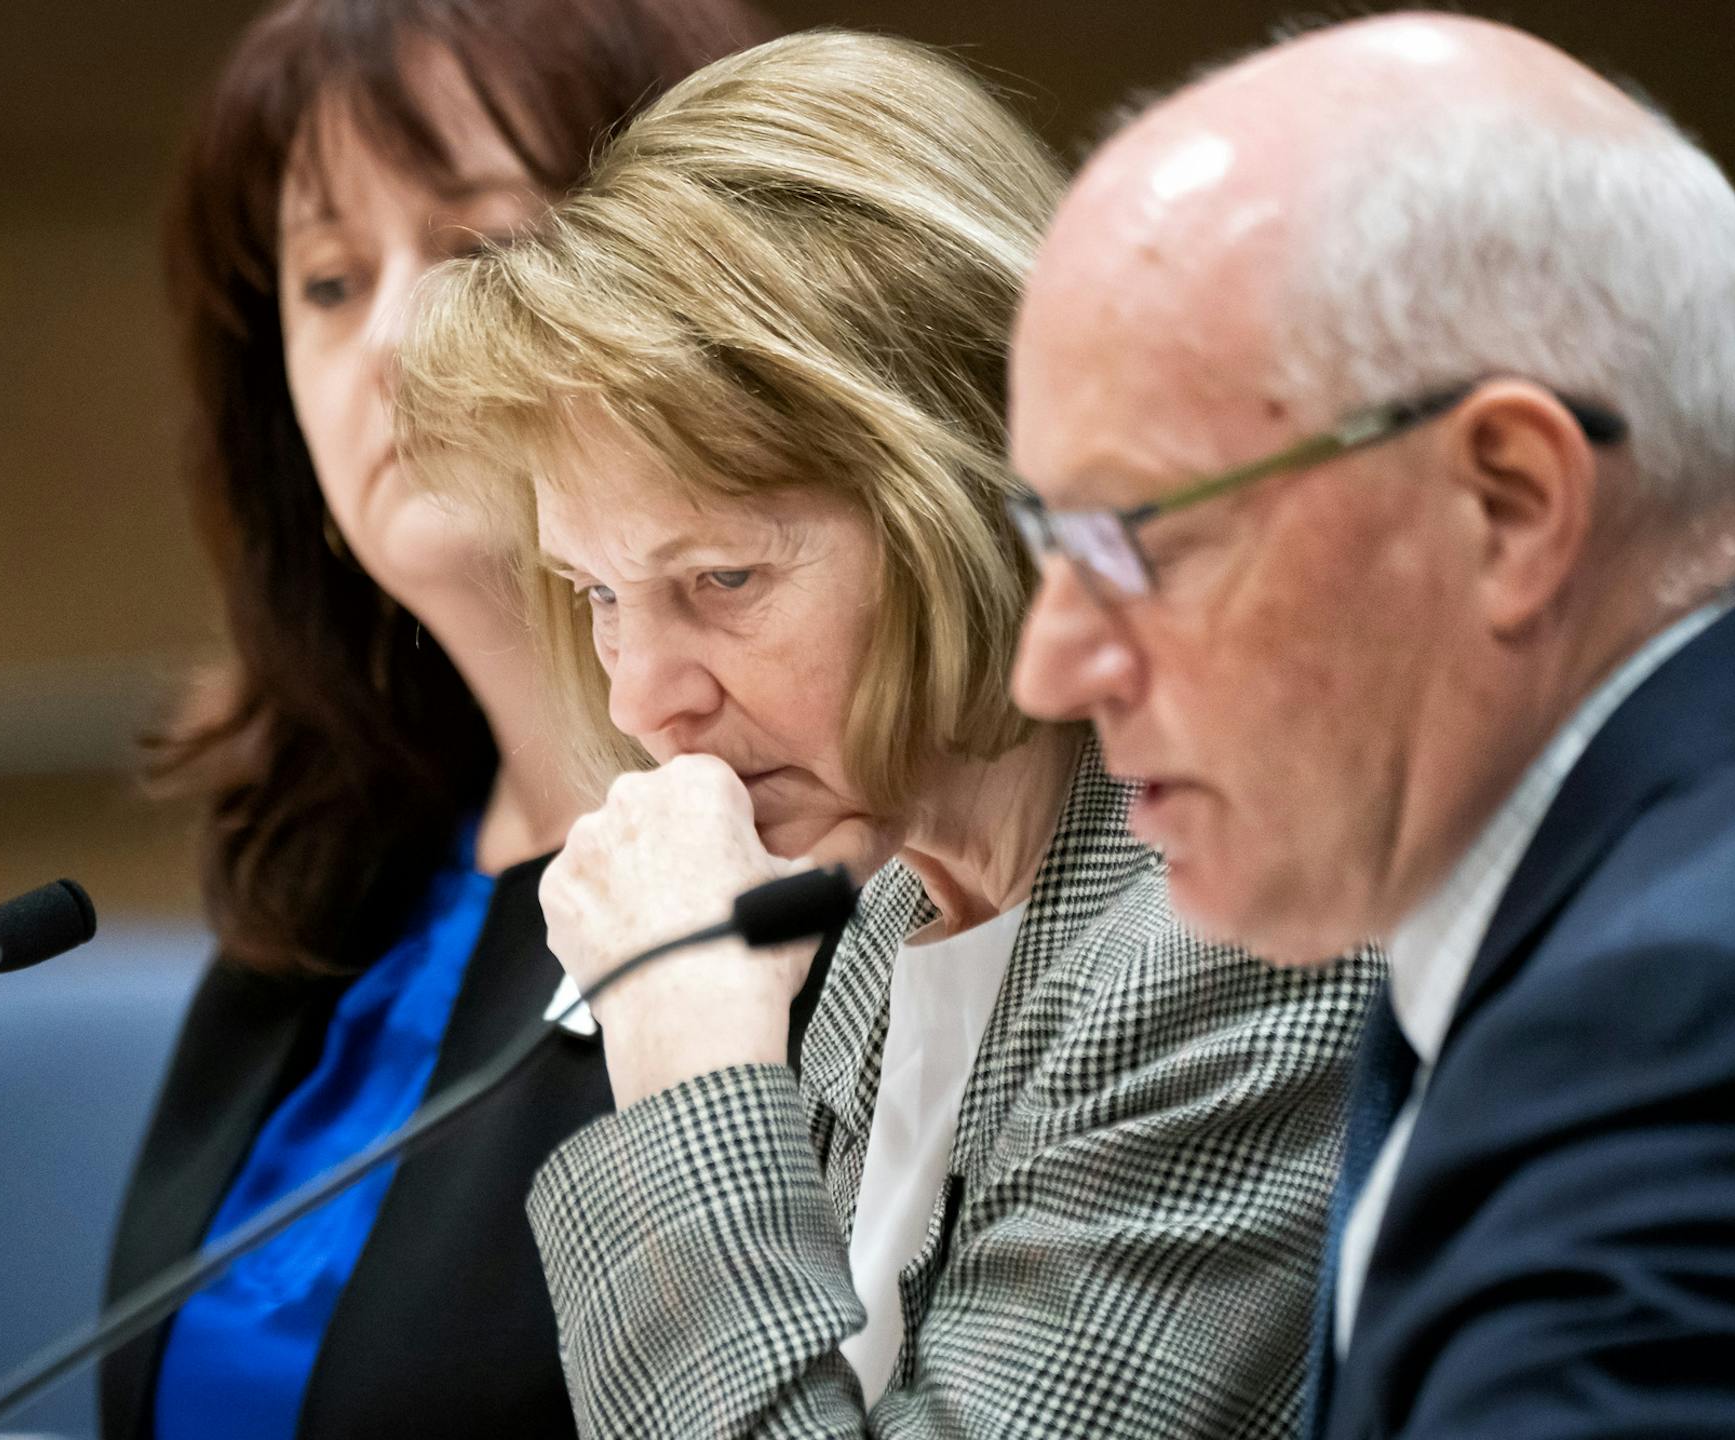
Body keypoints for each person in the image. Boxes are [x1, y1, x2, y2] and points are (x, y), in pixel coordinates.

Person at [397, 31, 1383, 1437]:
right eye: (601, 595)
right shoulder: (882, 920)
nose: (641, 701)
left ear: (965, 494)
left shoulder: (1244, 943)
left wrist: (685, 1057)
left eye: (722, 579)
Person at [1008, 12, 1735, 1438]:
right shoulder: (1632, 911)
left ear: (1507, 504)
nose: (1050, 667)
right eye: (1048, 544)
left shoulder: (1683, 1027)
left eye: (1141, 541)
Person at [100, 2, 770, 1438]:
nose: (396, 340)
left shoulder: (829, 884)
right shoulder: (332, 872)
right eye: (330, 282)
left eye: (479, 246)